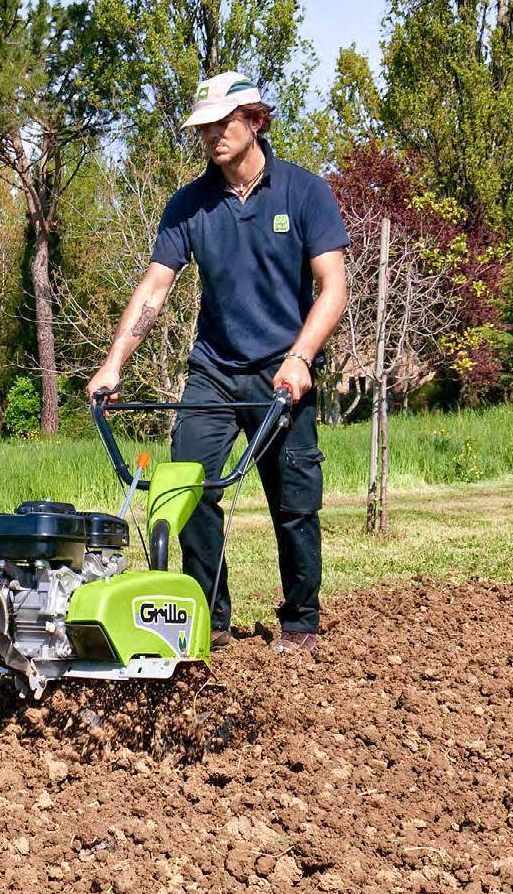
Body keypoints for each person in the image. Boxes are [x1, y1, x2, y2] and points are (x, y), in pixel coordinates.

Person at [85, 71, 349, 654]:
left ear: (254, 120)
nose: (210, 136)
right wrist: (113, 364)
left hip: (285, 371)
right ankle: (208, 618)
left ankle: (301, 619)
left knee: (295, 500)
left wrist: (302, 358)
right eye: (203, 128)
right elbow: (155, 290)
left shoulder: (305, 193)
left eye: (221, 124)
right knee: (187, 489)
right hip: (214, 369)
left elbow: (333, 288)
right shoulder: (189, 205)